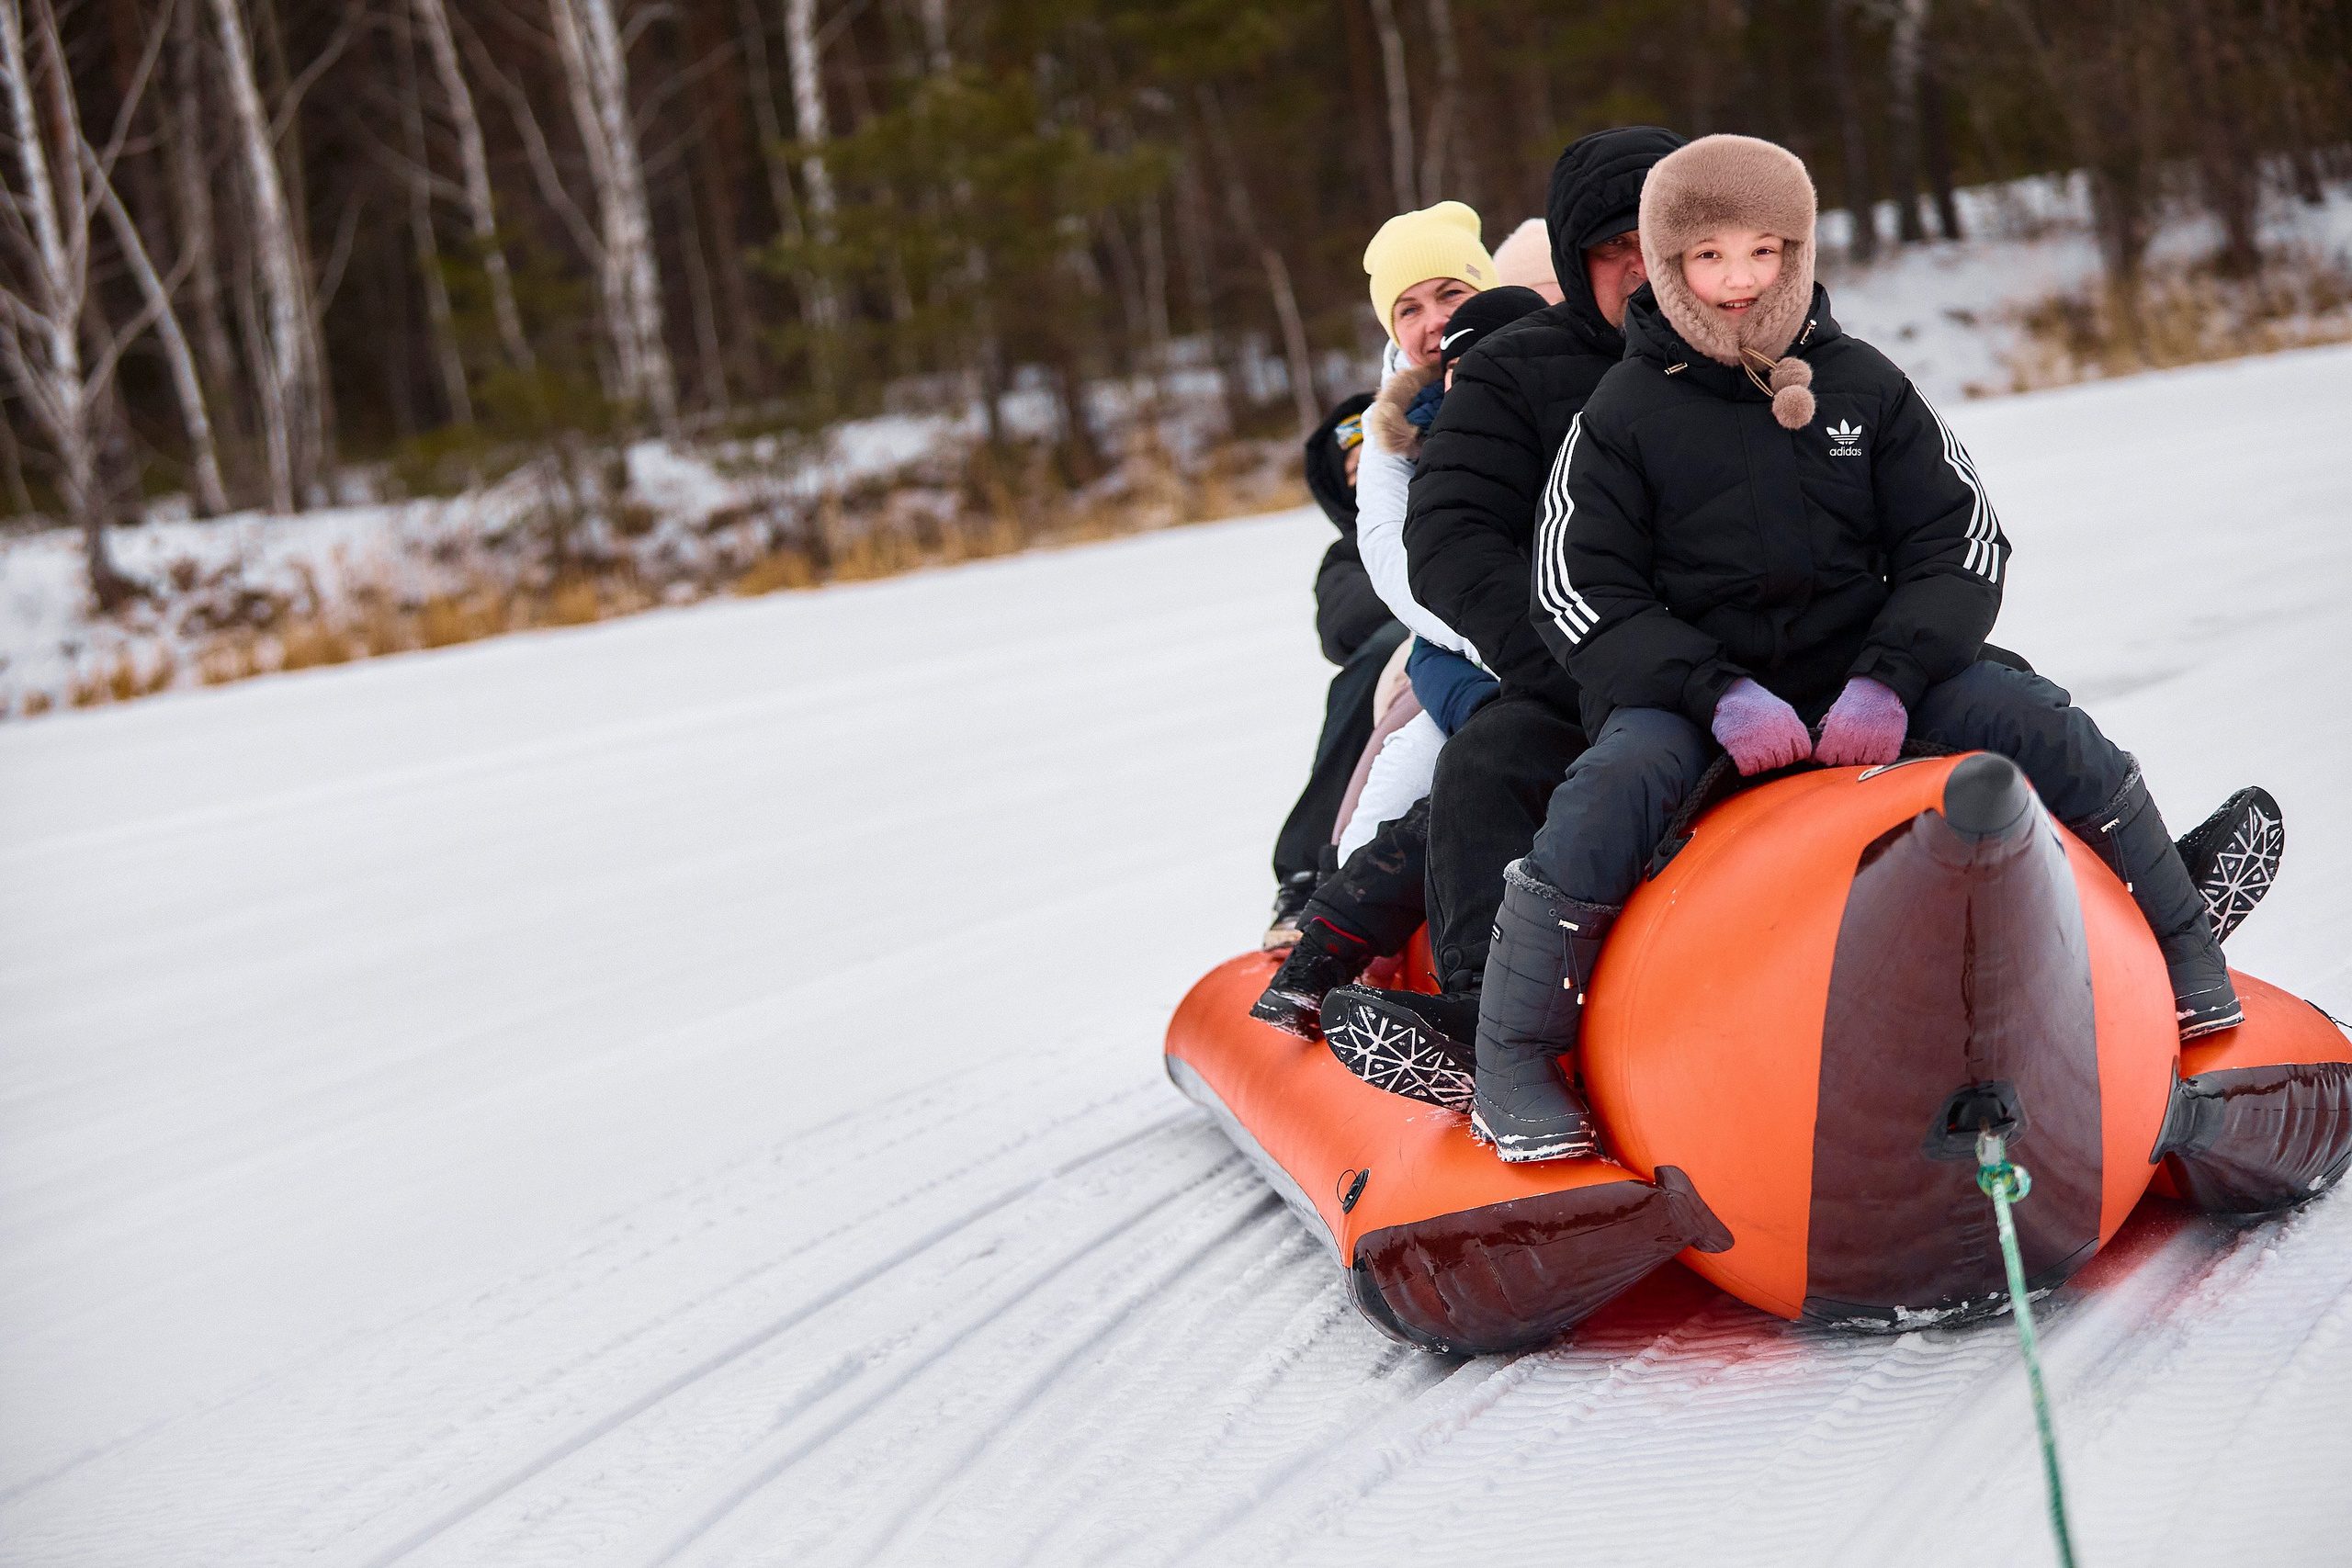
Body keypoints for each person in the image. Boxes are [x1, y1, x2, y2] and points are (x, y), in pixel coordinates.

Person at [1471, 133, 2253, 1163]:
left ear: (1795, 250)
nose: (1739, 280)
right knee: (1607, 789)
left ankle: (2179, 947)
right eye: (1708, 257)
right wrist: (1713, 694)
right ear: (1668, 268)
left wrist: (1888, 677)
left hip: (1864, 679)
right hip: (1695, 701)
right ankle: (1515, 1059)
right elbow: (1577, 593)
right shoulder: (1618, 414)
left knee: (2036, 718)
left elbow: (1958, 543)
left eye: (1761, 251)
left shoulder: (1865, 385)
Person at [1314, 127, 1688, 1068]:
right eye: (1410, 306)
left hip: (1589, 632)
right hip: (1466, 638)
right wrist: (1536, 650)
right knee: (1422, 749)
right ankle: (1341, 925)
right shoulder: (1395, 425)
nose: (1435, 319)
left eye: (1452, 293)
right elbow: (1406, 555)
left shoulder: (1570, 372)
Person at [1252, 287, 1547, 1038]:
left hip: (1507, 674)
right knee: (1413, 748)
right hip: (1447, 667)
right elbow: (1355, 612)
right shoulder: (1362, 540)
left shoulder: (1538, 456)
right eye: (1344, 466)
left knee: (1455, 783)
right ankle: (1320, 901)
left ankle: (1347, 937)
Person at [1262, 392, 1405, 948]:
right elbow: (1342, 627)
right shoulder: (1350, 556)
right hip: (1402, 665)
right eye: (1355, 468)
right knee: (1374, 658)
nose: (1369, 471)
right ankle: (1306, 870)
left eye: (1379, 453)